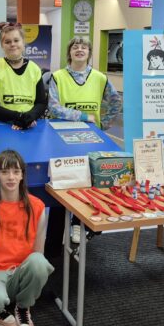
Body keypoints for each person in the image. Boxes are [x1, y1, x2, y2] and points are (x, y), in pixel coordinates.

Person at [0, 150, 54, 326]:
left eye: (16, 172)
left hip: (20, 273)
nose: (11, 177)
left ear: (22, 175)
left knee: (39, 263)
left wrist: (32, 279)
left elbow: (38, 253)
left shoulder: (37, 207)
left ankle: (23, 307)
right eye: (5, 172)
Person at [48, 37, 122, 244]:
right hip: (61, 140)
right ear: (69, 52)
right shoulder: (57, 77)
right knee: (61, 186)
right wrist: (81, 116)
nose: (79, 49)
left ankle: (80, 225)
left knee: (89, 184)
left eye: (84, 47)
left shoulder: (99, 78)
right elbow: (53, 107)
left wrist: (103, 124)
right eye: (75, 46)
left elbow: (115, 101)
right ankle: (53, 242)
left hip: (90, 141)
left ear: (89, 53)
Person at [0, 22, 47, 130]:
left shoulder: (34, 69)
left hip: (29, 125)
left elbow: (41, 103)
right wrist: (18, 117)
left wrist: (29, 117)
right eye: (7, 42)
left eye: (16, 40)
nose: (12, 44)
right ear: (2, 45)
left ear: (23, 42)